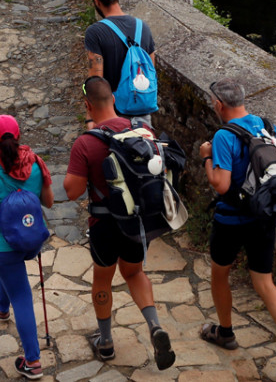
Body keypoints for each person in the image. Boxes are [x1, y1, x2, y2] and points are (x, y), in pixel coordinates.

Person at [63, 76, 176, 370]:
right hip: (136, 221)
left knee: (103, 278)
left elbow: (72, 191)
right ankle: (154, 327)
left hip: (103, 223)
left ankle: (106, 342)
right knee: (135, 273)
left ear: (87, 105)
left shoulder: (86, 143)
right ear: (113, 98)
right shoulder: (141, 131)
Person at [199, 78, 276, 382]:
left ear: (219, 104)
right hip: (263, 218)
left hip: (231, 220)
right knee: (264, 281)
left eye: (212, 102)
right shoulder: (266, 126)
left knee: (220, 274)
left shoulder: (223, 135)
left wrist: (206, 157)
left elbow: (220, 184)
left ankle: (226, 333)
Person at [0, 114, 54, 380]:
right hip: (30, 242)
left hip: (1, 245)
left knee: (22, 293)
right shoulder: (36, 163)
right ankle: (2, 307)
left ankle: (32, 362)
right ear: (18, 136)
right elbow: (49, 202)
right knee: (10, 274)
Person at [83, 0, 158, 128]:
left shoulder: (95, 32)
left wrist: (90, 119)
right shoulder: (143, 27)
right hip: (142, 111)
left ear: (96, 1)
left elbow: (96, 80)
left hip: (112, 115)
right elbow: (151, 70)